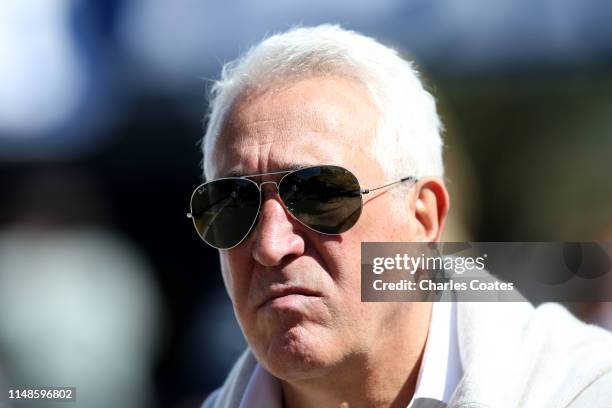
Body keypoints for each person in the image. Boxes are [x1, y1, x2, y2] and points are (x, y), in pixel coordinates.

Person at [191, 25, 612, 408]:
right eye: (233, 204)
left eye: (319, 195)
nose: (269, 245)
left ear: (425, 217)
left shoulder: (582, 390)